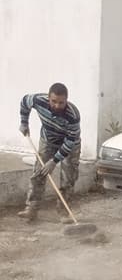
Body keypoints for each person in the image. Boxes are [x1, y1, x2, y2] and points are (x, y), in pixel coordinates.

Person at [18, 83, 81, 222]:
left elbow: (70, 142)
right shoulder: (38, 100)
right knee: (39, 173)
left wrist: (54, 161)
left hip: (70, 144)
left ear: (66, 100)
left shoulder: (73, 115)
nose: (57, 105)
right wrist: (24, 122)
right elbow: (24, 101)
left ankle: (64, 212)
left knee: (69, 177)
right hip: (48, 140)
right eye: (53, 101)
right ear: (48, 98)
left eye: (61, 102)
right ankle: (31, 209)